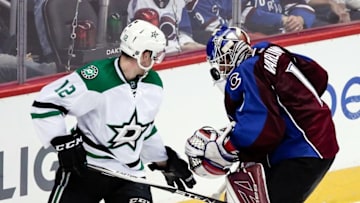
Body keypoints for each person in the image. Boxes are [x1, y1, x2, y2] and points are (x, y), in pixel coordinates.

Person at [30, 19, 196, 203]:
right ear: (143, 55)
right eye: (155, 55)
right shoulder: (97, 77)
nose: (157, 60)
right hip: (87, 169)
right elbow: (45, 104)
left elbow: (144, 129)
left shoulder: (153, 84)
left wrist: (165, 162)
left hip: (129, 176)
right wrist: (63, 143)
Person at [185, 25, 339, 202]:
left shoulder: (244, 71)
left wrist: (226, 148)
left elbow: (263, 127)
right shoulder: (267, 50)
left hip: (301, 151)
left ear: (232, 54)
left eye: (221, 60)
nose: (220, 67)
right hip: (319, 141)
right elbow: (318, 76)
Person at [240, 0, 316, 35]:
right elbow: (242, 12)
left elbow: (297, 4)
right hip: (251, 40)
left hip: (283, 37)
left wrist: (299, 19)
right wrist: (281, 19)